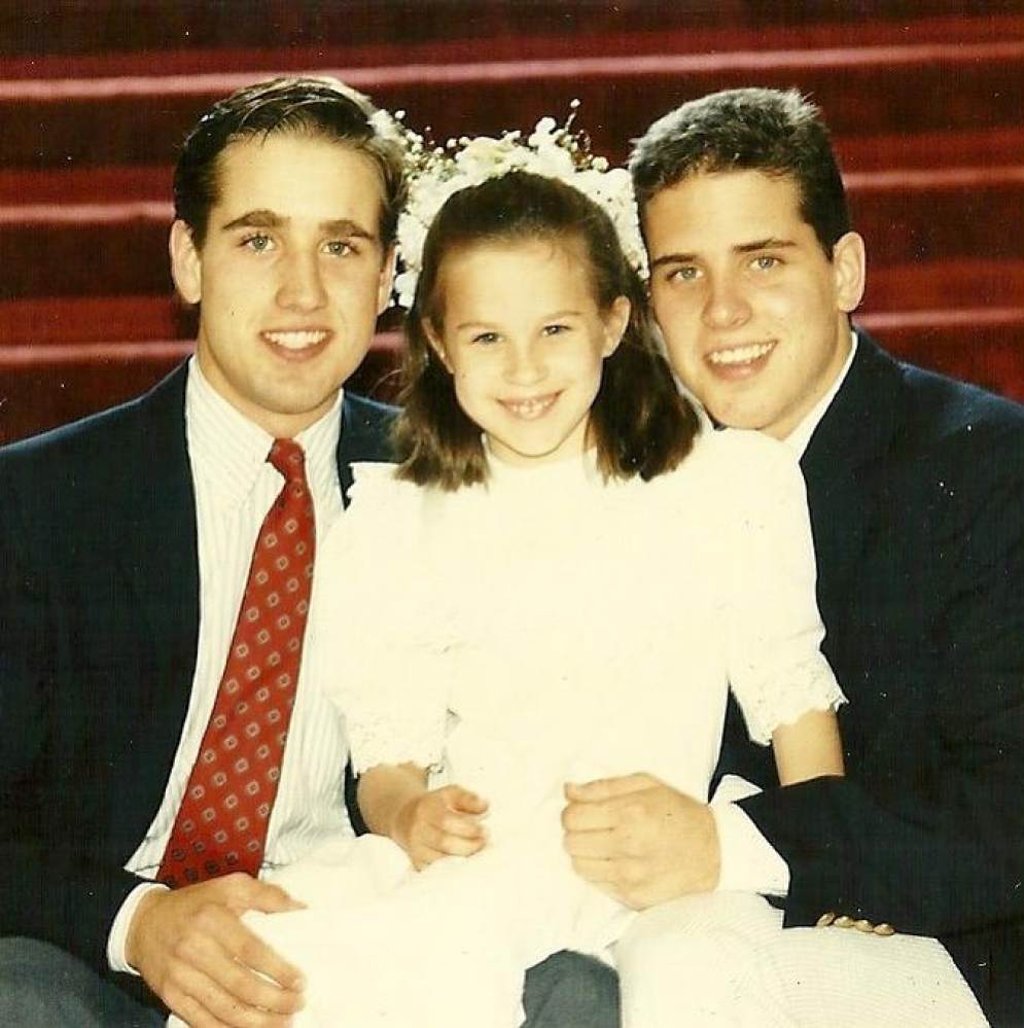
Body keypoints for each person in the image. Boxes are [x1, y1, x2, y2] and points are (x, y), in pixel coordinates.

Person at [0, 77, 613, 1028]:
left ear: (385, 277)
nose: (302, 289)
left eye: (340, 245)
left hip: (371, 948)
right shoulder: (37, 504)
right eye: (257, 240)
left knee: (581, 996)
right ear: (189, 259)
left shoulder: (461, 482)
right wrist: (139, 924)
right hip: (109, 964)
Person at [222, 153, 852, 1027]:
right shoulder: (403, 522)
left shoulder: (723, 486)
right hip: (493, 863)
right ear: (439, 344)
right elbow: (388, 760)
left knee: (698, 989)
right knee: (331, 970)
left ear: (611, 322)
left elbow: (794, 709)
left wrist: (827, 876)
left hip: (664, 874)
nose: (524, 370)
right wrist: (410, 816)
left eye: (554, 330)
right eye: (486, 338)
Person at [561, 85, 1024, 1025]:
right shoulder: (629, 470)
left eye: (763, 261)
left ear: (844, 269)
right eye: (684, 273)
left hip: (937, 956)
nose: (724, 312)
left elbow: (1005, 820)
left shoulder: (985, 469)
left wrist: (732, 847)